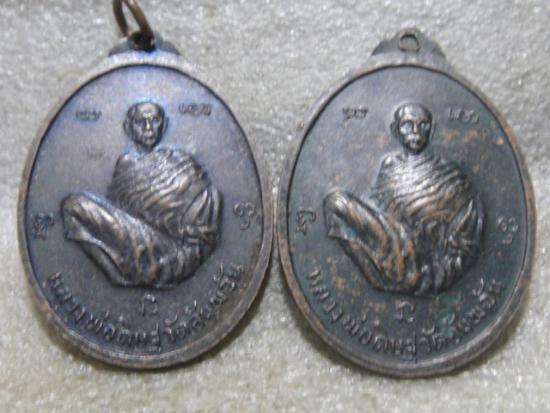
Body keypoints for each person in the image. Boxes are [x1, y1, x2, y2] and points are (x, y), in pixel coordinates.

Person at [324, 103, 483, 295]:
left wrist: (440, 266)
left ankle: (403, 274)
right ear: (395, 130)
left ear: (431, 130)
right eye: (408, 125)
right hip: (392, 241)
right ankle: (377, 277)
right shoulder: (390, 167)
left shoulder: (450, 173)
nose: (416, 131)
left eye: (422, 125)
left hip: (424, 255)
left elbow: (466, 231)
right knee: (336, 204)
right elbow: (378, 211)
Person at [62, 101, 221, 289]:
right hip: (138, 240)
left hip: (172, 254)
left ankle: (126, 274)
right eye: (140, 122)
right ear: (128, 127)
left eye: (154, 120)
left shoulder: (181, 162)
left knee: (73, 206)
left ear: (164, 124)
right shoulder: (125, 166)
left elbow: (205, 210)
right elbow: (118, 216)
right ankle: (116, 276)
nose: (148, 128)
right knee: (73, 206)